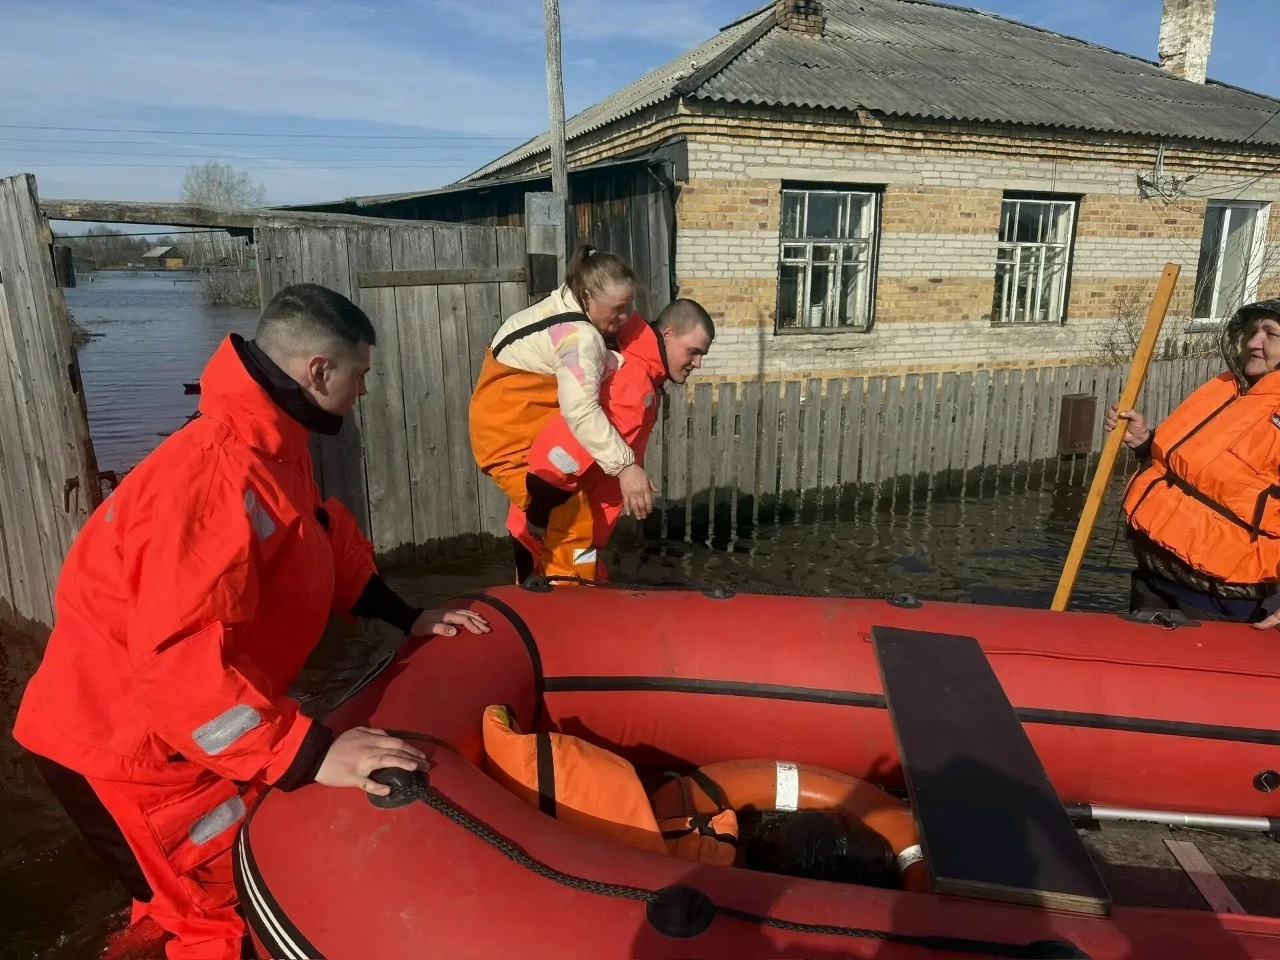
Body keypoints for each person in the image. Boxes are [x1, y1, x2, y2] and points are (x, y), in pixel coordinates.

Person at [12, 283, 489, 959]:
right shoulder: (213, 479)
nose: (363, 391)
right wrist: (311, 753)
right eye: (360, 375)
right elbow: (179, 666)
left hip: (180, 727)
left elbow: (318, 542)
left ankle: (144, 921)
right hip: (127, 746)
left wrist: (406, 616)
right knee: (220, 916)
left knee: (193, 888)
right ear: (318, 370)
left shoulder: (273, 445)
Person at [469, 244, 658, 578]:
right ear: (586, 296)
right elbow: (581, 410)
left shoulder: (556, 307)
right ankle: (572, 596)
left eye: (628, 308)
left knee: (548, 515)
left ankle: (541, 585)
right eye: (617, 309)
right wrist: (626, 467)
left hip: (506, 430)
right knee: (573, 518)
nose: (623, 319)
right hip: (509, 443)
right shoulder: (580, 337)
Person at [508, 299, 715, 581]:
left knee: (585, 582)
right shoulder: (633, 384)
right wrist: (537, 516)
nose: (698, 363)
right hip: (554, 530)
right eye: (693, 352)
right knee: (568, 600)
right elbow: (561, 452)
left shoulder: (636, 367)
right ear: (667, 334)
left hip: (563, 527)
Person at [1107, 297, 1280, 628]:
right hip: (1154, 576)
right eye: (1251, 331)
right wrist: (1143, 442)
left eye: (1270, 334)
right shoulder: (1226, 387)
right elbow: (1194, 470)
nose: (1254, 342)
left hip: (1221, 602)